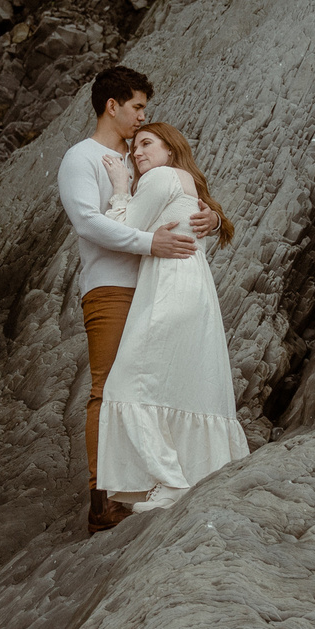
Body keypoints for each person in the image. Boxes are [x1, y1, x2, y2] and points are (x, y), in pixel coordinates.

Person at [59, 67, 218, 535]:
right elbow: (88, 222)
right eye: (137, 107)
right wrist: (152, 244)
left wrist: (207, 217)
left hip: (158, 287)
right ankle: (101, 500)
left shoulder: (139, 158)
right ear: (113, 106)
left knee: (153, 383)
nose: (142, 117)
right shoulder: (81, 158)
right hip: (112, 286)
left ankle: (148, 482)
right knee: (107, 388)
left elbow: (177, 196)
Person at [95, 122, 245, 511]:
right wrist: (212, 218)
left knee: (127, 386)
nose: (138, 153)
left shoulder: (161, 176)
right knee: (178, 386)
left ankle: (171, 480)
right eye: (133, 148)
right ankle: (187, 477)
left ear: (171, 150)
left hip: (168, 288)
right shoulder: (184, 181)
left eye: (147, 144)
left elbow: (123, 230)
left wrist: (120, 188)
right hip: (192, 286)